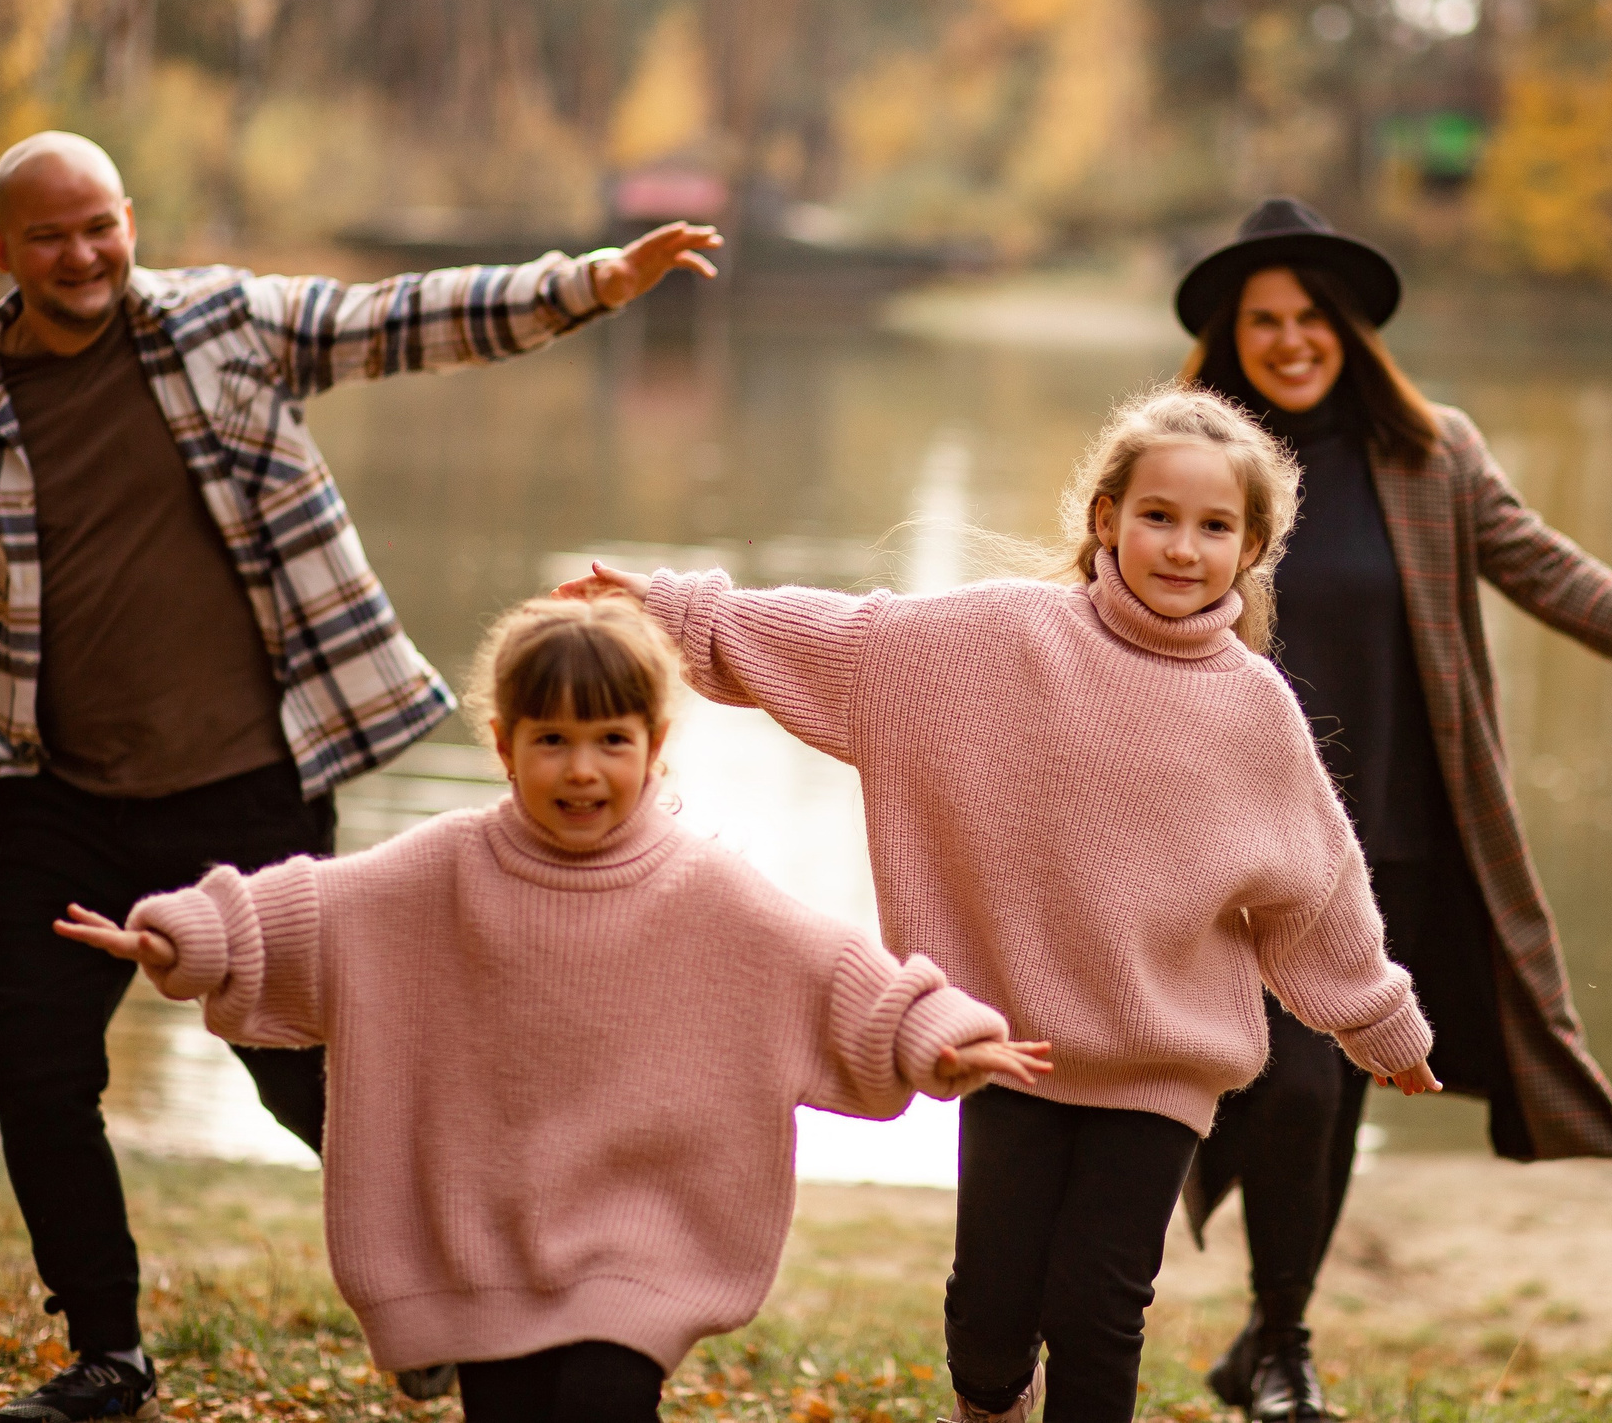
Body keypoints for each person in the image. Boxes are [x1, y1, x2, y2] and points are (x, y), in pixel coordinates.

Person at [0, 130, 722, 1423]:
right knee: (35, 1074)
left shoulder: (223, 326)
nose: (81, 254)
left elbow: (401, 317)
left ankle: (434, 1289)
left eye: (100, 225)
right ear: (0, 250)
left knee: (302, 1069)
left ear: (129, 219)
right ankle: (106, 1351)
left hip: (249, 790)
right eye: (49, 236)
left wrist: (588, 280)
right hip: (60, 796)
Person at [560, 385, 1441, 1423]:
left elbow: (1318, 891)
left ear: (1250, 551)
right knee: (989, 1313)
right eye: (1157, 516)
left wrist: (1379, 1021)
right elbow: (842, 642)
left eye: (1214, 527)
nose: (1181, 547)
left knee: (1099, 1307)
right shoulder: (995, 640)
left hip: (1162, 1063)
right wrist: (674, 611)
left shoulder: (1254, 712)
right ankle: (990, 1404)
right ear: (1105, 519)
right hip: (1007, 1049)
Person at [1171, 197, 1612, 1422]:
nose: (1289, 341)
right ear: (1229, 338)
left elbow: (1557, 577)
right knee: (1296, 1086)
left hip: (1392, 842)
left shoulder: (1430, 457)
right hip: (1240, 851)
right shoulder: (1193, 465)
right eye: (1263, 321)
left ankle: (1273, 1342)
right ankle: (1278, 1348)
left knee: (1337, 1100)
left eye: (1311, 317)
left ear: (1351, 330)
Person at [58, 595, 1049, 1423]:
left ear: (655, 748)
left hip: (641, 1243)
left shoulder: (705, 889)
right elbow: (309, 909)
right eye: (554, 741)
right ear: (503, 745)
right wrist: (188, 937)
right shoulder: (441, 868)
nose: (583, 770)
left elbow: (831, 971)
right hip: (484, 1235)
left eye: (611, 741)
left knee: (601, 1401)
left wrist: (937, 1037)